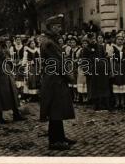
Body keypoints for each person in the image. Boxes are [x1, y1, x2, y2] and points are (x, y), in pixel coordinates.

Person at [40, 16, 76, 150]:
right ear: (51, 27)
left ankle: (60, 137)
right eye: (58, 26)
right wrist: (69, 77)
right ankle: (54, 141)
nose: (60, 29)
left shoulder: (50, 41)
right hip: (54, 80)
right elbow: (57, 63)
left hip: (55, 79)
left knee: (58, 109)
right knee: (55, 109)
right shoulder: (49, 43)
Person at [82, 33, 111, 111]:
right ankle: (96, 104)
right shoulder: (86, 49)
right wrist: (87, 71)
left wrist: (107, 69)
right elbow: (84, 61)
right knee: (94, 87)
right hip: (93, 70)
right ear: (88, 40)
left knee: (104, 86)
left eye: (94, 38)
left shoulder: (100, 47)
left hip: (101, 70)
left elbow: (104, 58)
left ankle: (105, 104)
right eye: (91, 39)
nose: (93, 40)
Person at [111, 31, 125, 109]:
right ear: (116, 40)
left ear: (123, 40)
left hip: (123, 67)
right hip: (116, 66)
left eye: (121, 39)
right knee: (116, 83)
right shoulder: (112, 48)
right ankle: (117, 102)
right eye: (118, 39)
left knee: (123, 83)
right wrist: (112, 70)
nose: (120, 41)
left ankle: (122, 102)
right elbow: (111, 60)